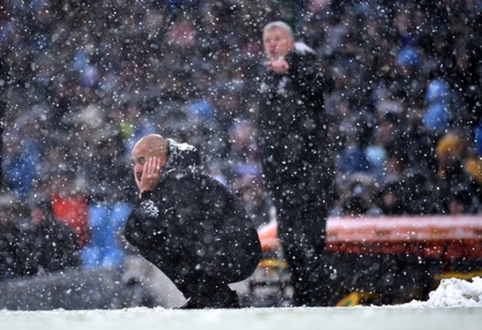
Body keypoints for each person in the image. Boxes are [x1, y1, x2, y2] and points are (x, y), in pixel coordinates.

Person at [123, 134, 261, 309]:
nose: (137, 169)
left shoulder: (183, 180)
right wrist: (145, 194)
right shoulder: (171, 182)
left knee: (160, 238)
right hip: (221, 250)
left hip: (235, 253)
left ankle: (212, 295)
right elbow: (133, 233)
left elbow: (160, 230)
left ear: (161, 160)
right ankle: (207, 294)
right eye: (135, 162)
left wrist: (146, 195)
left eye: (142, 161)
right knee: (151, 237)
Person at [256, 21, 336, 306]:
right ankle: (304, 298)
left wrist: (294, 70)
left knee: (311, 238)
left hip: (309, 169)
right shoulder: (266, 75)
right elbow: (265, 127)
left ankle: (318, 300)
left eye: (278, 38)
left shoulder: (304, 60)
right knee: (290, 240)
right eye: (268, 39)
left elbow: (326, 84)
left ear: (290, 41)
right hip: (283, 174)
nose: (273, 44)